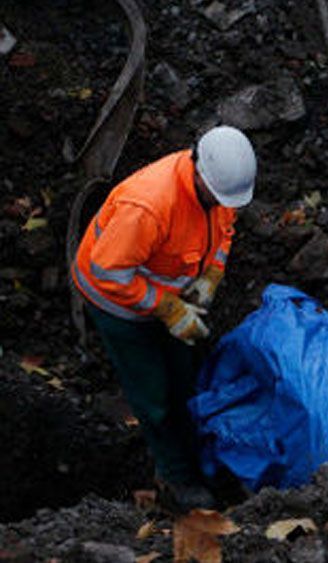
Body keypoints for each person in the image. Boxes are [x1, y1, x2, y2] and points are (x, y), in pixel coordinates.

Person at [72, 125, 257, 511]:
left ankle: (201, 451)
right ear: (198, 171)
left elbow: (224, 231)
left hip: (166, 291)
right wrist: (168, 308)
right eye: (220, 196)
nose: (226, 204)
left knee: (186, 378)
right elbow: (109, 272)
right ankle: (176, 476)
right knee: (153, 394)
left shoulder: (219, 191)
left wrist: (211, 274)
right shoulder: (149, 205)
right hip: (117, 304)